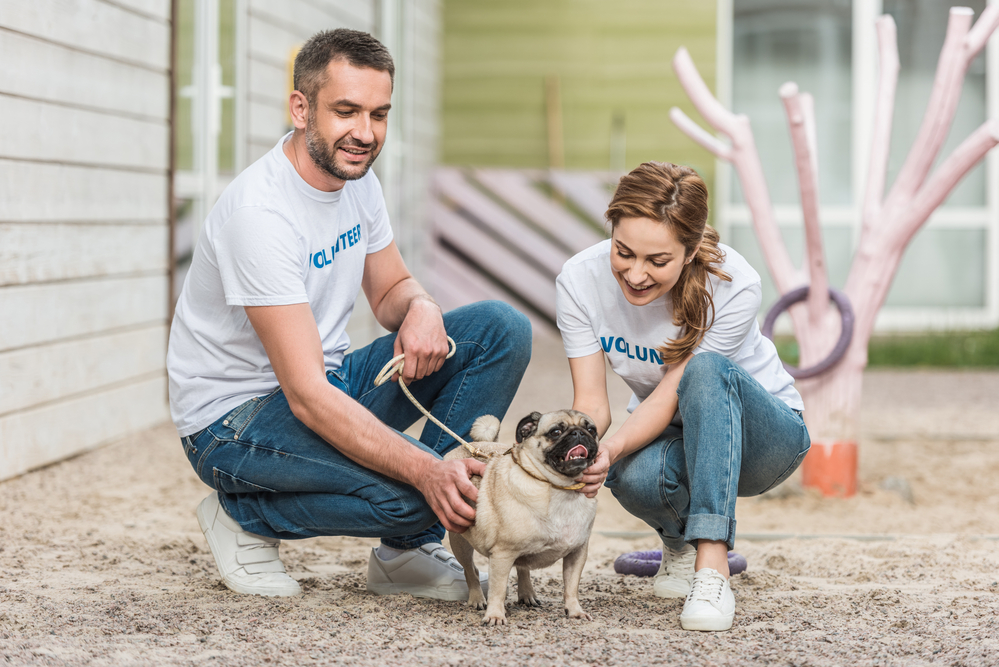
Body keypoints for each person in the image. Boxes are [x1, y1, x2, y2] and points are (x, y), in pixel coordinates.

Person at [167, 29, 531, 600]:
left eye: (379, 114)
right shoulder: (260, 215)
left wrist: (422, 308)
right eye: (346, 111)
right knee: (416, 492)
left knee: (498, 330)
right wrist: (425, 470)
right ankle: (245, 517)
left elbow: (391, 292)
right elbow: (307, 395)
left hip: (326, 381)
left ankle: (405, 551)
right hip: (233, 423)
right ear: (300, 107)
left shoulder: (356, 180)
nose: (365, 133)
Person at [556, 161, 809, 632]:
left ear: (691, 250)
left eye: (657, 261)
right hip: (676, 430)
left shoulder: (734, 284)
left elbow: (674, 393)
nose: (635, 274)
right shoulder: (579, 280)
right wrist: (584, 455)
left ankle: (712, 566)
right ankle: (678, 545)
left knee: (706, 370)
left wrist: (612, 447)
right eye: (623, 252)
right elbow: (591, 406)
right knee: (627, 472)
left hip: (763, 439)